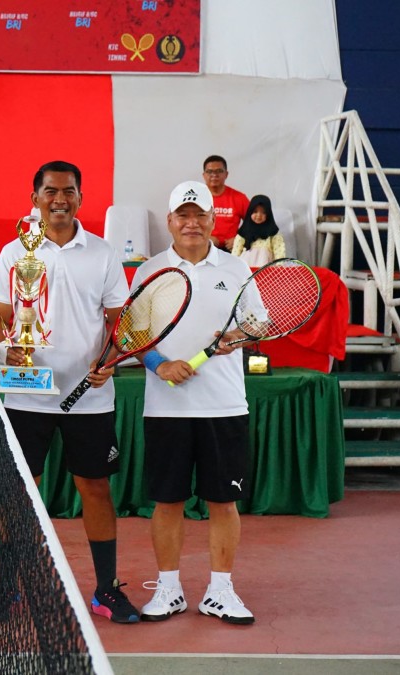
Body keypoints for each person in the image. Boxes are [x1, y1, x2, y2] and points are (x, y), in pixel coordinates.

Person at [0, 161, 139, 624]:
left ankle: (106, 590)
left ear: (80, 198)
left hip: (89, 396)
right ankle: (7, 585)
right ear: (34, 198)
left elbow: (120, 322)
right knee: (20, 490)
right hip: (26, 395)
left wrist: (110, 359)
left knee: (95, 489)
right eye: (50, 191)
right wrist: (7, 347)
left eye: (68, 191)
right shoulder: (14, 252)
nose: (60, 199)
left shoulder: (103, 253)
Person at [132, 180, 255, 625]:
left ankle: (220, 591)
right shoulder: (149, 272)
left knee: (224, 503)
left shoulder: (237, 269)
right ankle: (169, 589)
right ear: (169, 221)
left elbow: (256, 325)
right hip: (166, 410)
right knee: (167, 502)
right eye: (182, 215)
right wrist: (160, 365)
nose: (191, 223)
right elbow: (133, 336)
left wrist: (238, 337)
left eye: (199, 215)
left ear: (212, 219)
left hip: (224, 406)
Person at [202, 155, 249, 251]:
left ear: (226, 174)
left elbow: (254, 224)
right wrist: (205, 238)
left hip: (232, 249)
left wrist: (240, 239)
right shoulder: (197, 198)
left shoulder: (239, 198)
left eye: (219, 171)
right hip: (203, 247)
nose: (214, 175)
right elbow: (187, 224)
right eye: (209, 171)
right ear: (204, 175)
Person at [229, 194, 286, 266]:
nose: (259, 215)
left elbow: (279, 251)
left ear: (268, 214)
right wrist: (233, 266)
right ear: (250, 212)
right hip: (246, 269)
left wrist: (279, 266)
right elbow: (235, 252)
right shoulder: (244, 232)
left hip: (266, 269)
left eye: (263, 212)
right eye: (255, 211)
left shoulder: (273, 233)